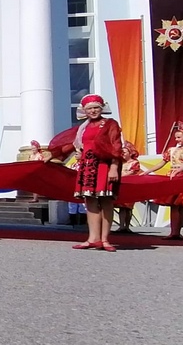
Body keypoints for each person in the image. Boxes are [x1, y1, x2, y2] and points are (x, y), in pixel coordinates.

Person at [34, 94, 123, 251]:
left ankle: (105, 240)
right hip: (87, 166)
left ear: (102, 108)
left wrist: (114, 167)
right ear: (85, 111)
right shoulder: (84, 127)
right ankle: (92, 238)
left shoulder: (110, 124)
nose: (93, 111)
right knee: (90, 201)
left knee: (106, 201)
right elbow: (70, 145)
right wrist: (52, 154)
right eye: (90, 108)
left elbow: (116, 146)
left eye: (96, 107)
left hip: (105, 166)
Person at [142, 122, 183, 240]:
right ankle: (173, 232)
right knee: (174, 204)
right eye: (176, 137)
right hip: (173, 177)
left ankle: (177, 232)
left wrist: (178, 171)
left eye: (179, 137)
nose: (177, 139)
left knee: (181, 205)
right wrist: (148, 171)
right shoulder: (172, 150)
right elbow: (162, 163)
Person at [115, 141, 142, 234]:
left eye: (125, 152)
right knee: (121, 207)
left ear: (130, 153)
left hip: (130, 187)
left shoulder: (134, 163)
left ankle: (127, 226)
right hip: (121, 187)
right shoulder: (120, 163)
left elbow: (132, 173)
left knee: (129, 208)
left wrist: (119, 176)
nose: (123, 154)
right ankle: (121, 226)